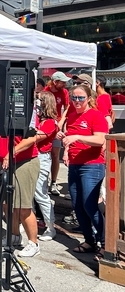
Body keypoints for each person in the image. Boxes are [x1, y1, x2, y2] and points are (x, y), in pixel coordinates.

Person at [58, 84, 108, 261]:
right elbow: (71, 138)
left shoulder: (96, 115)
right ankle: (89, 241)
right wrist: (65, 145)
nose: (77, 101)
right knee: (78, 205)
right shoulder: (71, 116)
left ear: (88, 98)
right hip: (74, 164)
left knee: (90, 204)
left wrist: (77, 137)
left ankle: (105, 243)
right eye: (74, 98)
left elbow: (100, 139)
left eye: (80, 98)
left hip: (92, 165)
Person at [0, 132, 41, 258]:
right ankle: (14, 236)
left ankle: (34, 243)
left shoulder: (27, 113)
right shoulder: (3, 112)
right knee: (7, 204)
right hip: (8, 163)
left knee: (23, 206)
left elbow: (32, 138)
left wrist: (11, 152)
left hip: (24, 162)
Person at [34, 92, 59, 241]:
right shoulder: (38, 120)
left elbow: (36, 138)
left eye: (39, 100)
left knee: (40, 193)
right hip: (32, 157)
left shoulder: (50, 122)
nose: (36, 103)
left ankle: (51, 227)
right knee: (29, 194)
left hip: (42, 158)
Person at [44, 71, 70, 196]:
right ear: (55, 82)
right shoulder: (45, 91)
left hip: (58, 126)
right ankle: (44, 181)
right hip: (47, 125)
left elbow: (67, 107)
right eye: (62, 82)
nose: (64, 84)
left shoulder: (64, 92)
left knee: (55, 154)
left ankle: (53, 182)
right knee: (44, 154)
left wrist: (62, 123)